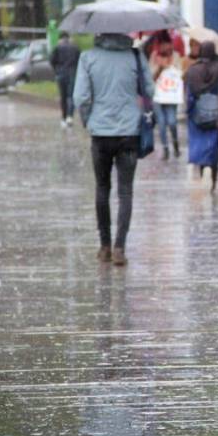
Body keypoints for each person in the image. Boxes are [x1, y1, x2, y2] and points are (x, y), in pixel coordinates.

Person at [73, 33, 153, 267]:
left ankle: (104, 245)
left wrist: (90, 120)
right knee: (125, 191)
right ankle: (120, 247)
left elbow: (81, 97)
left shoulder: (88, 58)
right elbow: (149, 90)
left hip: (101, 133)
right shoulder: (135, 57)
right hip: (130, 132)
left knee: (102, 187)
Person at [184, 41, 218, 191]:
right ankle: (212, 176)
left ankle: (202, 169)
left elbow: (188, 95)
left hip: (197, 115)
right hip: (216, 114)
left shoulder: (192, 70)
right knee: (214, 145)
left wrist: (189, 111)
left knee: (199, 144)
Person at [150, 36, 181, 160]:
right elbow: (150, 76)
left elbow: (180, 74)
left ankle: (175, 142)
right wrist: (160, 67)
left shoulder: (176, 56)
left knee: (172, 121)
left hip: (171, 95)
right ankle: (165, 148)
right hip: (158, 95)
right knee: (161, 123)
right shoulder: (154, 56)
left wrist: (171, 65)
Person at [50, 32, 81, 128]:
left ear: (60, 38)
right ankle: (70, 117)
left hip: (61, 74)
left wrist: (56, 70)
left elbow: (52, 60)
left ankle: (63, 118)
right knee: (70, 96)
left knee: (63, 97)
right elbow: (80, 61)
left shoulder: (57, 48)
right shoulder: (75, 48)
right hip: (72, 74)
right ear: (69, 37)